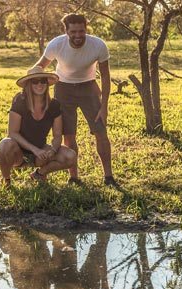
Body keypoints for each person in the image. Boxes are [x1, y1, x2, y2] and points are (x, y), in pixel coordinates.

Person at [33, 13, 116, 187]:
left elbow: (106, 77)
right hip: (63, 89)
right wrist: (32, 77)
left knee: (100, 133)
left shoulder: (98, 45)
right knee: (69, 135)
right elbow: (40, 65)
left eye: (81, 31)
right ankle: (74, 177)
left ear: (86, 29)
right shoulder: (57, 44)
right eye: (74, 32)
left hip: (89, 88)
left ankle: (108, 177)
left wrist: (104, 106)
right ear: (66, 31)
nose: (78, 35)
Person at [0, 66, 77, 186]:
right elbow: (12, 133)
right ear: (29, 84)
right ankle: (6, 180)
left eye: (43, 81)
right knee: (4, 144)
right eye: (35, 81)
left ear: (47, 83)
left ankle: (39, 174)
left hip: (40, 152)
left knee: (70, 156)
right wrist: (34, 149)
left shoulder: (54, 105)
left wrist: (53, 150)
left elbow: (57, 135)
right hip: (18, 152)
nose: (39, 84)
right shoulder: (20, 100)